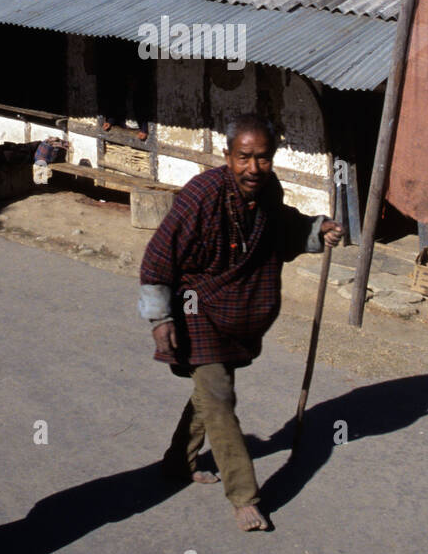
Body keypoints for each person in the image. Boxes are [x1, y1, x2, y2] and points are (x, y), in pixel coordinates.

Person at [139, 113, 343, 532]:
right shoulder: (201, 195)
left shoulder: (269, 192)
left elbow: (283, 228)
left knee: (210, 393)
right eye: (244, 158)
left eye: (263, 158)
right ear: (227, 155)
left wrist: (317, 231)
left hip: (237, 311)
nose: (254, 168)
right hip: (195, 307)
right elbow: (159, 256)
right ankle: (245, 496)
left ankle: (178, 462)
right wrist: (160, 318)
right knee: (219, 397)